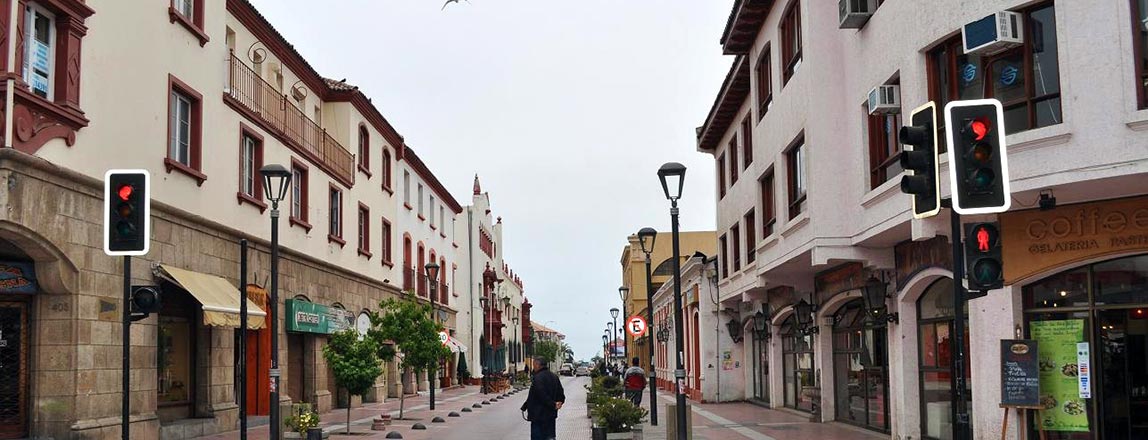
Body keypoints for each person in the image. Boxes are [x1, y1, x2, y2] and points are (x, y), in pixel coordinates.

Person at [521, 356, 565, 440]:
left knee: (538, 437)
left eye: (534, 365)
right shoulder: (554, 376)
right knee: (550, 437)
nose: (533, 367)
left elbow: (541, 395)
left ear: (538, 365)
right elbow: (561, 393)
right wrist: (559, 402)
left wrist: (553, 404)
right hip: (551, 415)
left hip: (538, 415)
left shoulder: (538, 378)